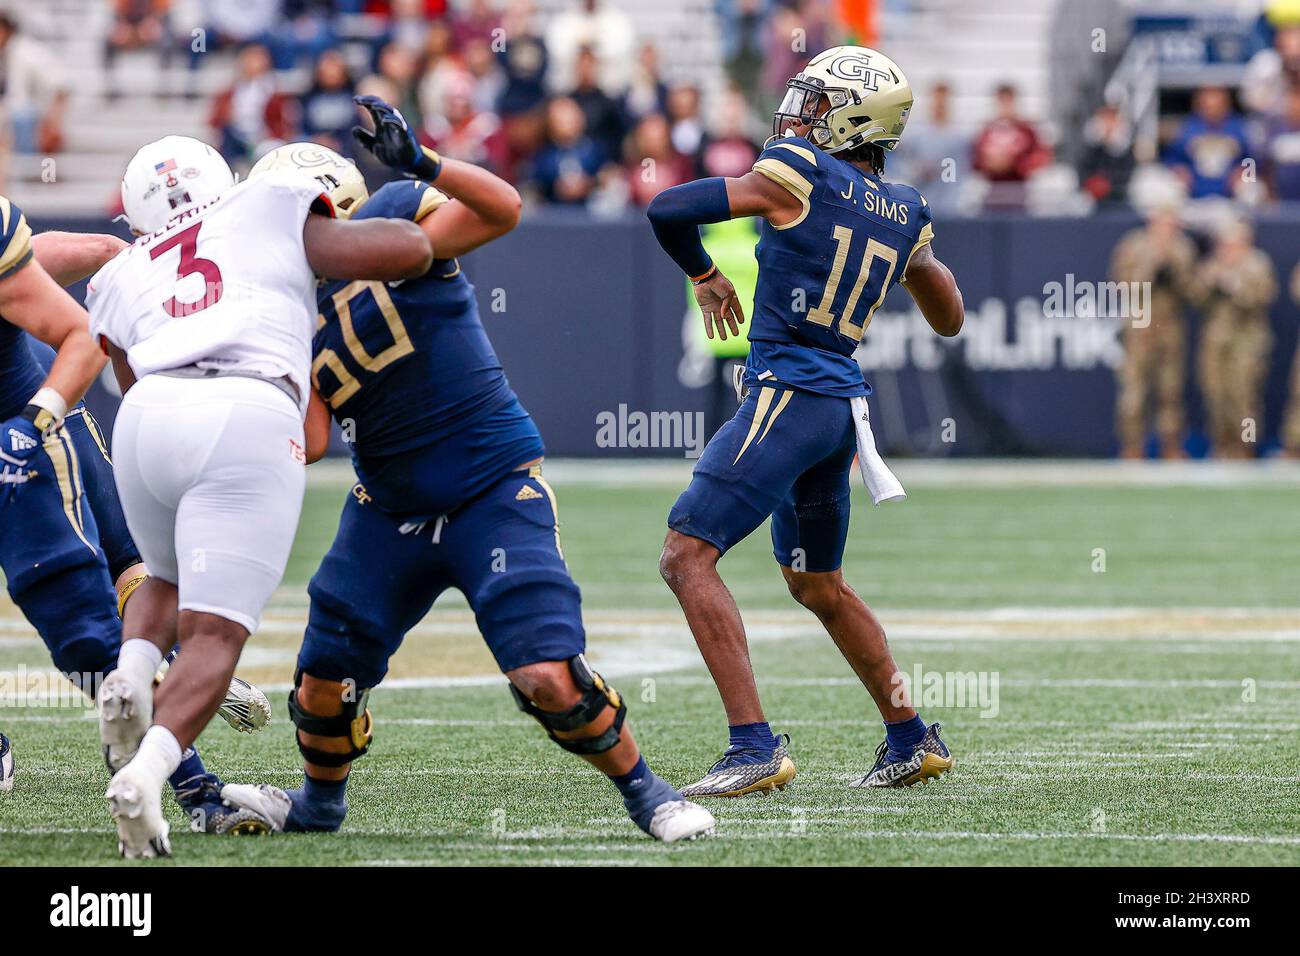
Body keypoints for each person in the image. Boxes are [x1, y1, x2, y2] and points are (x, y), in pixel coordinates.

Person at [220, 101, 715, 843]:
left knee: (547, 675)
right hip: (386, 508)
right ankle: (319, 806)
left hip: (490, 487)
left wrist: (422, 160)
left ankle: (650, 794)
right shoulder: (289, 305)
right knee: (322, 683)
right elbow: (313, 436)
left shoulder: (392, 219)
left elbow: (503, 207)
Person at [87, 134, 433, 858]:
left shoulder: (120, 271)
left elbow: (124, 377)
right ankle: (148, 775)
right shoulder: (267, 200)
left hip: (148, 416)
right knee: (216, 634)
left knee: (164, 577)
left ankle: (130, 674)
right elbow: (407, 250)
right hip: (244, 407)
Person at [646, 46, 963, 796]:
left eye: (816, 103)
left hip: (788, 390)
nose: (798, 115)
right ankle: (911, 737)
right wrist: (912, 255)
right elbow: (948, 315)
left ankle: (753, 747)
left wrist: (703, 272)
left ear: (851, 118)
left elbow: (668, 208)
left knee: (686, 556)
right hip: (839, 409)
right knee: (818, 585)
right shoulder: (906, 208)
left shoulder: (803, 169)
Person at [0, 220, 270, 827]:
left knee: (93, 606)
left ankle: (194, 782)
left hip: (22, 430)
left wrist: (29, 425)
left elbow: (82, 281)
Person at [1110, 205, 1197, 458]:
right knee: (1134, 389)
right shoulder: (1134, 244)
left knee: (1170, 389)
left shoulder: (1182, 248)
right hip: (1140, 325)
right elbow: (1119, 282)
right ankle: (1132, 447)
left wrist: (1174, 272)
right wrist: (1149, 271)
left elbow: (1192, 291)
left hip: (1170, 326)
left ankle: (1171, 446)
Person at [1192, 220, 1278, 458]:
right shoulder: (1213, 265)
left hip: (1247, 340)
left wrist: (1236, 288)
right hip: (1216, 340)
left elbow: (1264, 297)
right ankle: (1221, 444)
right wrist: (1212, 283)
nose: (1229, 249)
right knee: (1216, 394)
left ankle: (1246, 446)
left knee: (1243, 396)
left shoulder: (1257, 264)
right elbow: (1195, 296)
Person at [1163, 86, 1250, 199]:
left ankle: (1248, 216)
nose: (1212, 106)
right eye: (1207, 102)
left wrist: (1244, 171)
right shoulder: (1187, 128)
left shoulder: (1239, 127)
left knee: (1251, 185)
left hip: (1230, 190)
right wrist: (1178, 169)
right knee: (1165, 186)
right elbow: (1172, 158)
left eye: (1217, 102)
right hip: (1193, 188)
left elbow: (1252, 158)